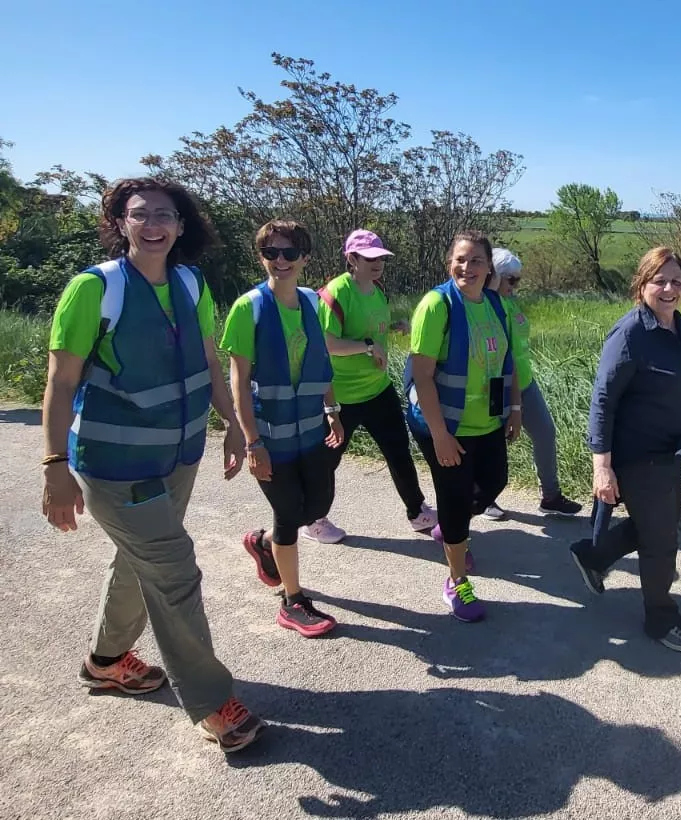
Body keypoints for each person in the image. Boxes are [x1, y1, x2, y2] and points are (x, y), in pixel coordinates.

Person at [40, 177, 264, 753]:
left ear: (182, 225)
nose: (153, 224)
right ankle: (213, 703)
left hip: (176, 458)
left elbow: (210, 363)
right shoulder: (95, 289)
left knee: (139, 561)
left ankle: (107, 661)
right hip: (115, 466)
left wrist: (232, 425)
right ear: (120, 223)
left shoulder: (191, 284)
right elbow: (61, 382)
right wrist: (54, 466)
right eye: (139, 214)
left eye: (165, 214)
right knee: (174, 569)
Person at [568, 247, 681, 654]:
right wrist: (602, 468)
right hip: (637, 454)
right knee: (661, 539)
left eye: (677, 282)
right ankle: (661, 617)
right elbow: (603, 401)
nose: (669, 289)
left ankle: (593, 556)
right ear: (642, 284)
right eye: (659, 281)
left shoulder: (677, 327)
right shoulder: (630, 333)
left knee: (657, 523)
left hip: (670, 450)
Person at [221, 219, 345, 638]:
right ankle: (293, 601)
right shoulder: (248, 308)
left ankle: (263, 543)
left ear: (305, 258)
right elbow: (238, 379)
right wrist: (250, 440)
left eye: (289, 253)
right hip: (270, 436)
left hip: (310, 431)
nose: (280, 260)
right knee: (290, 512)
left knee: (318, 505)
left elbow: (321, 365)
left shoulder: (312, 302)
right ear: (261, 257)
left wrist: (332, 409)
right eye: (270, 252)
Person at [406, 230, 522, 623]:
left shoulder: (495, 304)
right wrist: (440, 435)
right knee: (455, 502)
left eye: (476, 261)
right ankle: (456, 581)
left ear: (490, 268)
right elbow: (422, 376)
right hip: (445, 425)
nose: (467, 267)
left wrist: (516, 407)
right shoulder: (436, 305)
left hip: (487, 421)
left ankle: (449, 529)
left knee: (495, 482)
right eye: (460, 259)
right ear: (448, 263)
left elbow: (509, 361)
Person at [303, 229, 436, 544]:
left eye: (381, 258)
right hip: (342, 395)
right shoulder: (335, 293)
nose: (378, 263)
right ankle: (313, 519)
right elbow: (328, 343)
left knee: (398, 451)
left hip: (377, 389)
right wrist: (366, 346)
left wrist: (394, 327)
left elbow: (369, 328)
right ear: (352, 258)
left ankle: (417, 512)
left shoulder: (377, 290)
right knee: (328, 460)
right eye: (370, 257)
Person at [478, 247, 583, 520]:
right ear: (495, 276)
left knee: (545, 432)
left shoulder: (511, 302)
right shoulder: (486, 304)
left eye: (518, 279)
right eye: (510, 279)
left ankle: (550, 496)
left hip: (524, 381)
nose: (516, 285)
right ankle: (484, 496)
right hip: (497, 385)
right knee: (492, 442)